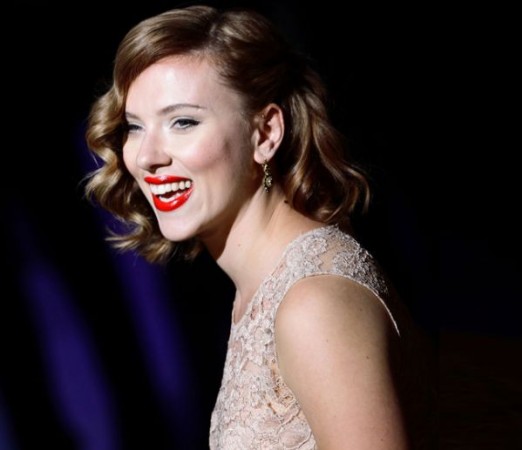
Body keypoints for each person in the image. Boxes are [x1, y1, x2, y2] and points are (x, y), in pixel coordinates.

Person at [83, 4, 435, 449]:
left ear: (265, 133)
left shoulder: (313, 303)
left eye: (183, 122)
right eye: (135, 127)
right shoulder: (269, 286)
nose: (147, 156)